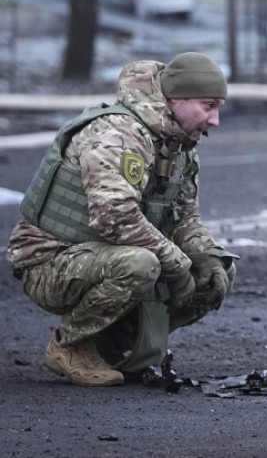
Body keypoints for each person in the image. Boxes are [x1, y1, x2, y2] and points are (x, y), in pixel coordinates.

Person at [6, 52, 236, 386]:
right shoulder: (119, 133)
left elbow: (185, 217)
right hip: (49, 260)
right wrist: (178, 264)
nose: (214, 120)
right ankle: (71, 345)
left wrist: (207, 256)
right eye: (208, 106)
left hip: (101, 255)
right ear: (177, 100)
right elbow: (114, 217)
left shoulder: (178, 144)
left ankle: (112, 346)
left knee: (216, 271)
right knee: (141, 264)